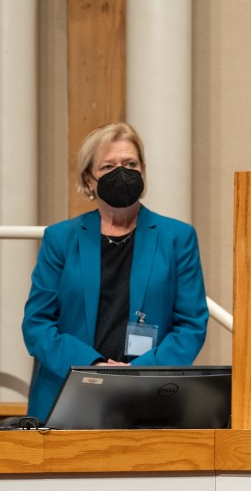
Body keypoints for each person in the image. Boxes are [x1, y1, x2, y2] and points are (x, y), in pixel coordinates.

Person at [22, 122, 209, 420]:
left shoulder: (177, 237)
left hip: (148, 396)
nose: (121, 173)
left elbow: (191, 326)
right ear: (89, 180)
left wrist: (138, 372)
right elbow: (37, 324)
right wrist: (92, 368)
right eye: (108, 166)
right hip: (68, 394)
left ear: (143, 170)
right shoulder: (61, 238)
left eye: (130, 164)